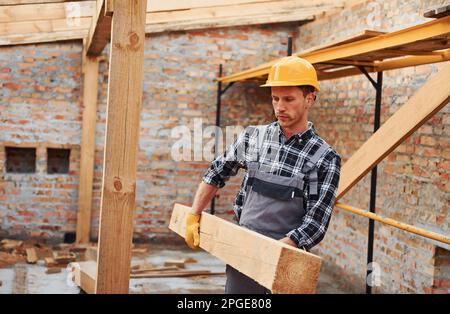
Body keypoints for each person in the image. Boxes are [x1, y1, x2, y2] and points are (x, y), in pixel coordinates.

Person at [185, 56, 341, 294]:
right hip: (244, 252)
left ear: (310, 99)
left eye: (289, 99)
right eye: (275, 98)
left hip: (287, 261)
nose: (280, 106)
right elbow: (217, 172)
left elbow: (316, 222)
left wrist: (272, 255)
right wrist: (194, 214)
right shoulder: (253, 138)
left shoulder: (324, 157)